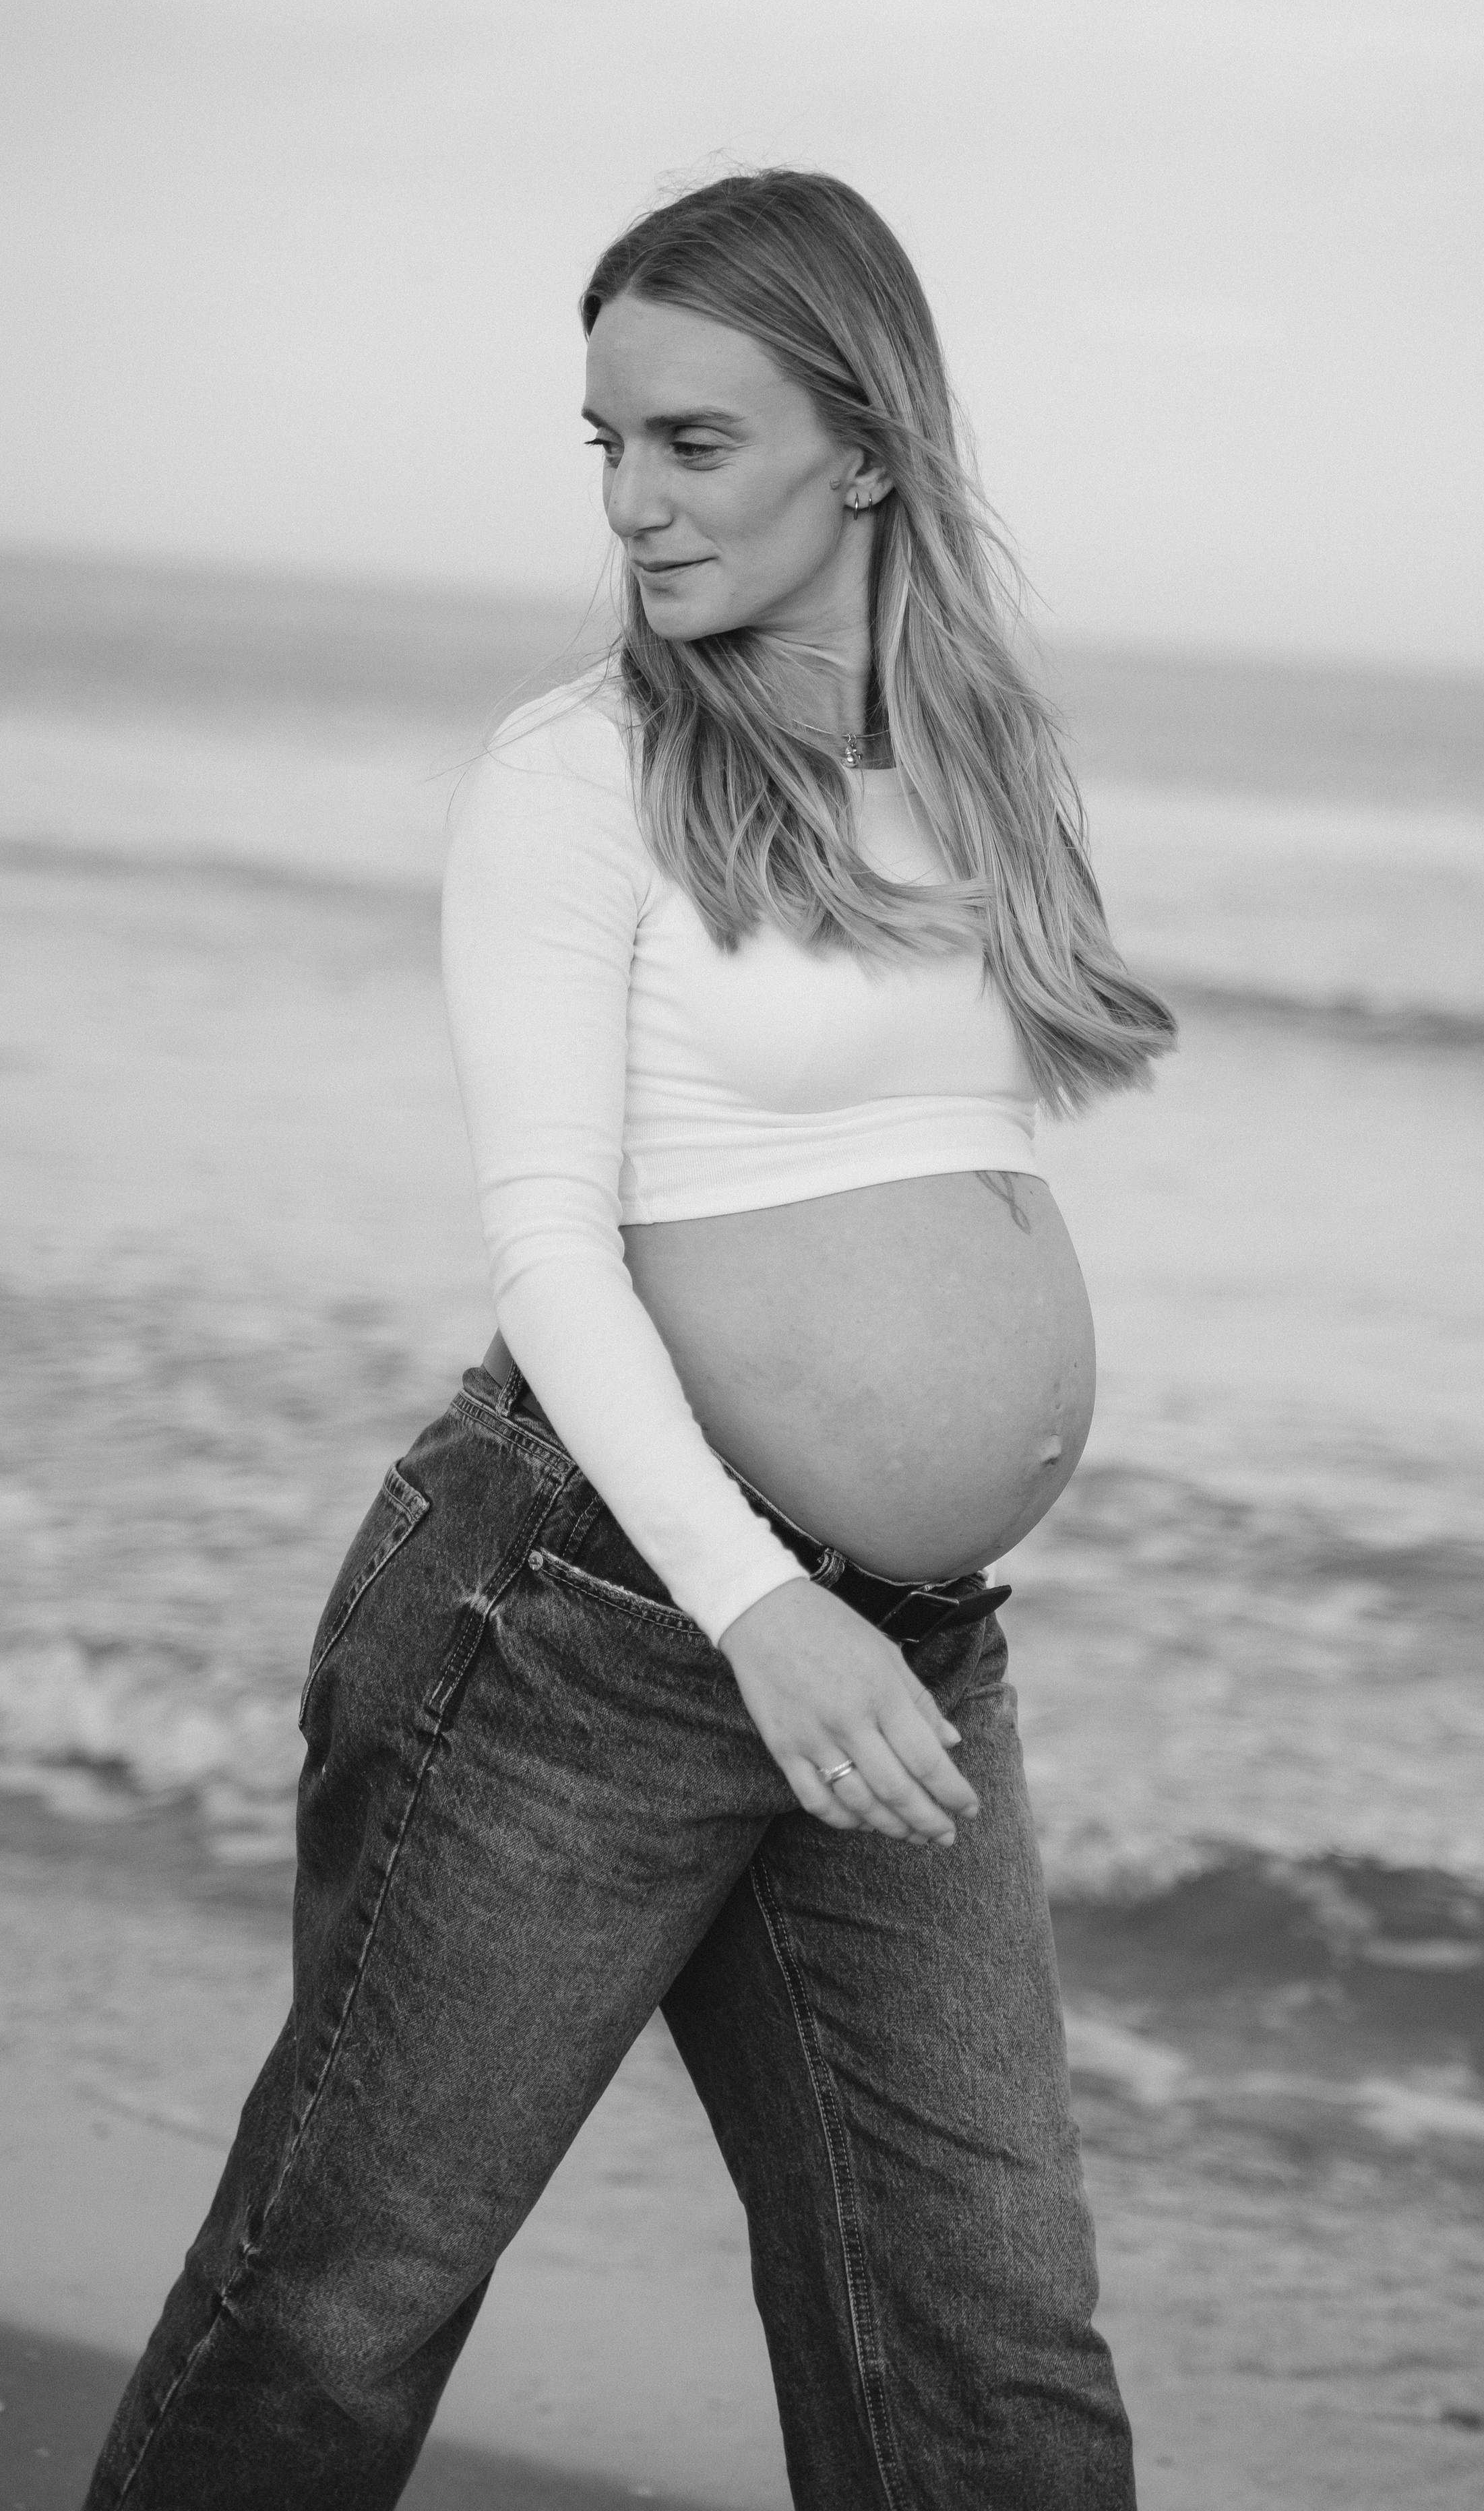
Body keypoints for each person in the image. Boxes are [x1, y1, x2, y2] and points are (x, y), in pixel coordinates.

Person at [82, 167, 1174, 2511]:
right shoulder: (578, 773)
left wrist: (839, 1600)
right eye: (607, 443)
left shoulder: (984, 763)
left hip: (898, 1662)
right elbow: (551, 1249)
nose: (631, 502)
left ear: (867, 444)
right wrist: (754, 1602)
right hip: (592, 1624)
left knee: (987, 2349)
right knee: (340, 2305)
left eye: (695, 443)